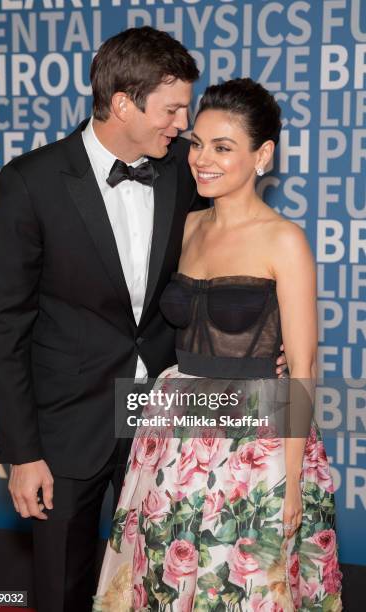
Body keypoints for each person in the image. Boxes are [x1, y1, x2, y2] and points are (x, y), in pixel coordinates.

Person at [0, 27, 287, 612]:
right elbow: (5, 327)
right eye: (173, 109)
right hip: (67, 429)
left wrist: (265, 346)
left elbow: (230, 259)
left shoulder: (182, 172)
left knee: (160, 586)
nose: (183, 126)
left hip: (169, 427)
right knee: (60, 590)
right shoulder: (31, 181)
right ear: (124, 102)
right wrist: (22, 454)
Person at [94, 79, 342, 611]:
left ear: (263, 154)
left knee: (238, 584)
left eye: (223, 147)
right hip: (173, 429)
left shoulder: (284, 240)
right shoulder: (185, 227)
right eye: (198, 144)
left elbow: (302, 364)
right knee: (166, 574)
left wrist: (292, 481)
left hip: (258, 442)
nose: (203, 159)